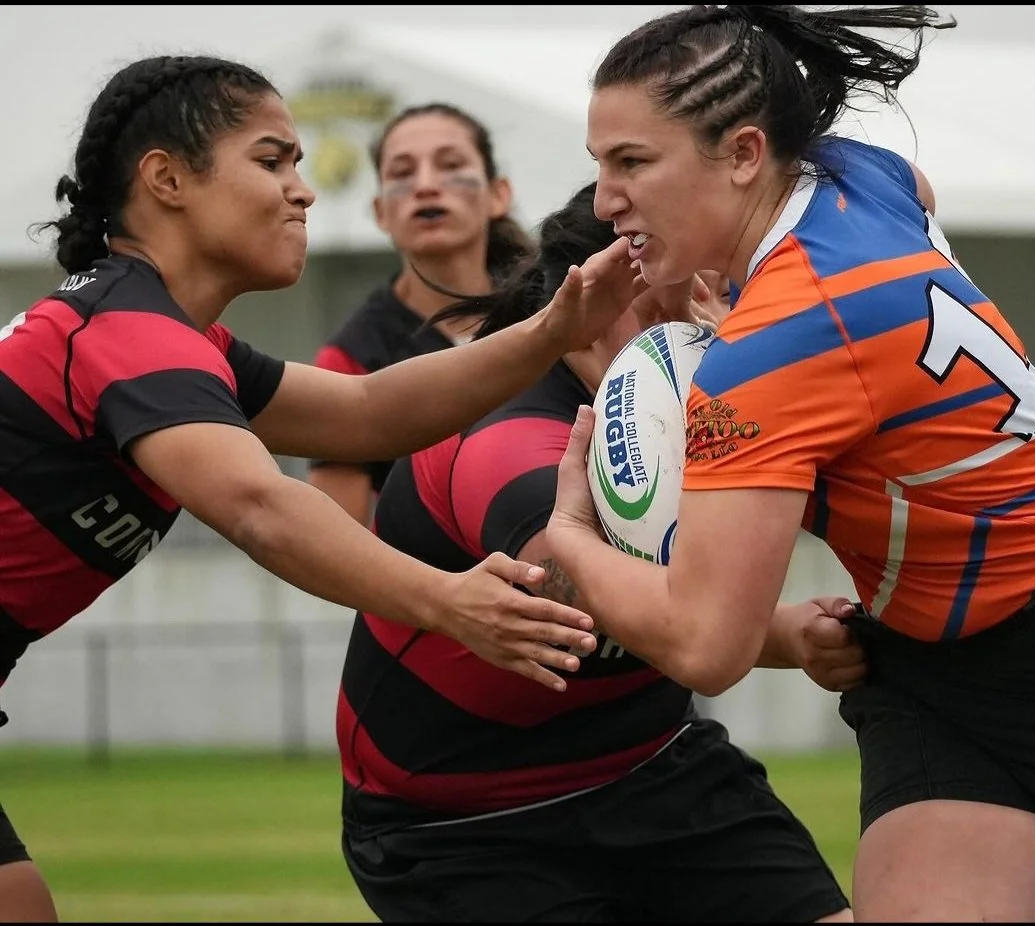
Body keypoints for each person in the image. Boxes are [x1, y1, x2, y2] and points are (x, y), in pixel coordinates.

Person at [0, 54, 641, 921]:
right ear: (167, 178)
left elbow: (371, 412)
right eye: (272, 161)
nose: (302, 190)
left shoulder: (175, 339)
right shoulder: (128, 333)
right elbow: (260, 506)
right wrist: (452, 601)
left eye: (300, 163)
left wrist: (549, 331)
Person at [543, 5, 1035, 922]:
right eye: (600, 164)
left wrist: (570, 535)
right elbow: (915, 194)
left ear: (745, 153)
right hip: (937, 675)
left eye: (632, 163)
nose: (604, 201)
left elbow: (705, 646)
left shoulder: (781, 345)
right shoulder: (858, 177)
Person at [335, 180, 864, 924]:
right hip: (461, 823)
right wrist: (778, 632)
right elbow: (575, 600)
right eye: (667, 300)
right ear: (587, 311)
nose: (703, 317)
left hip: (656, 766)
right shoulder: (503, 433)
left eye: (714, 289)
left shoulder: (706, 397)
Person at [309, 102, 534, 526]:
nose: (426, 185)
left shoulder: (552, 315)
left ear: (498, 194)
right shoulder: (351, 358)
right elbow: (336, 543)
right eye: (401, 173)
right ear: (380, 212)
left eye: (450, 165)